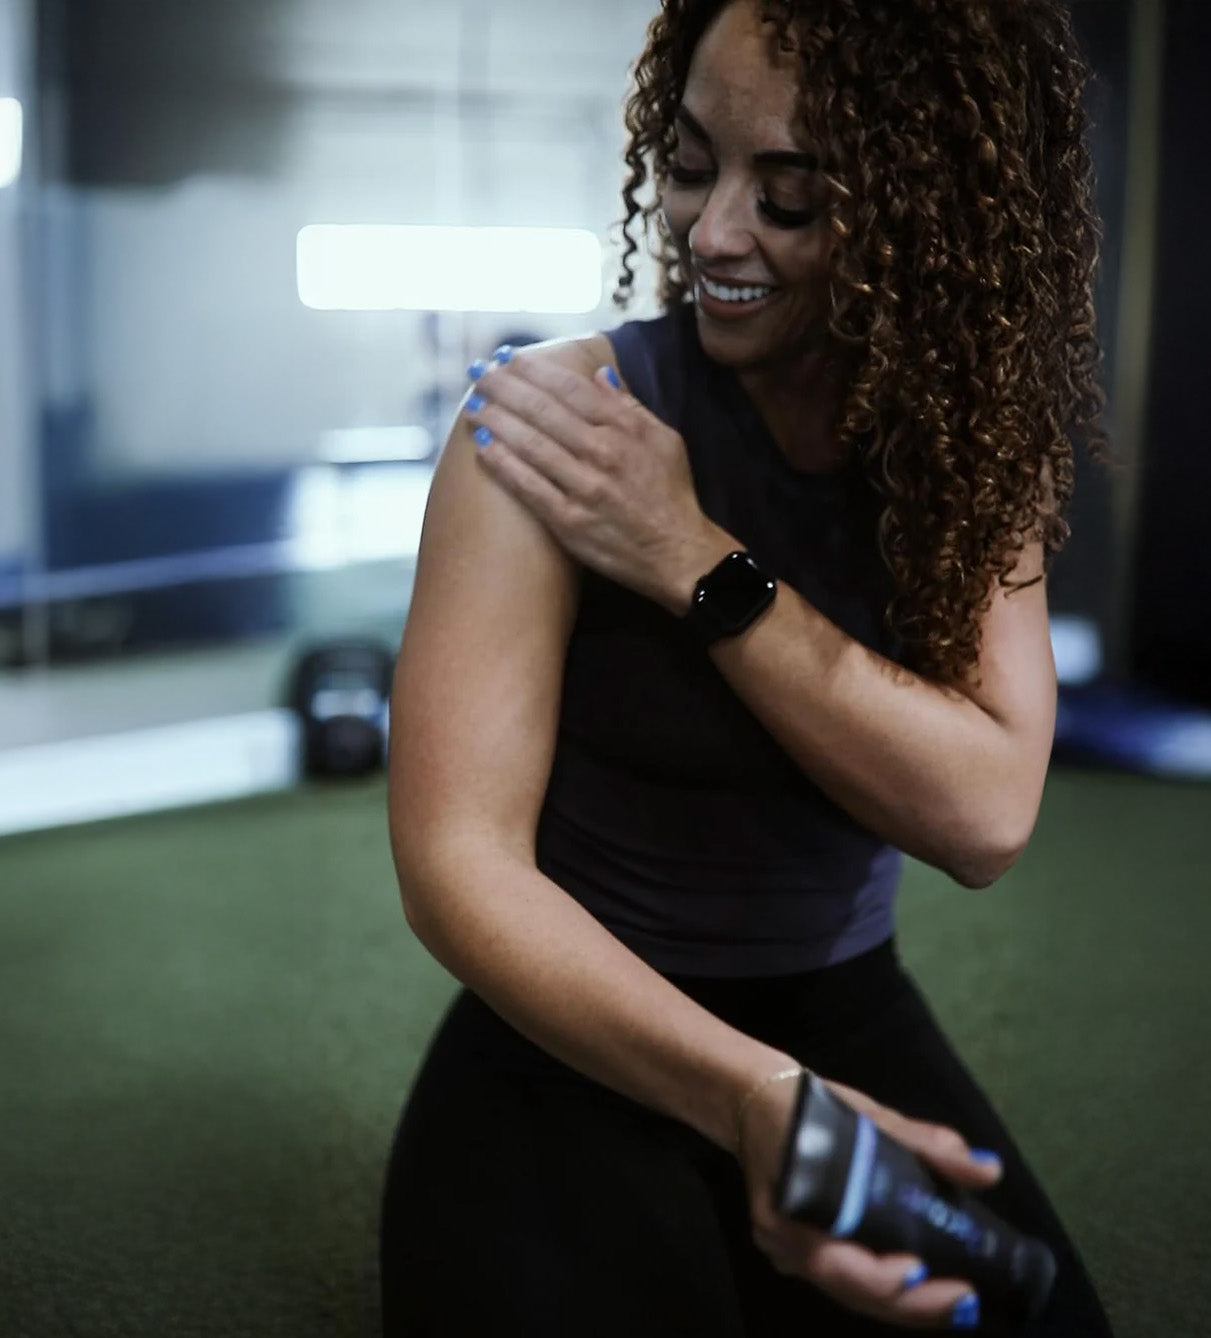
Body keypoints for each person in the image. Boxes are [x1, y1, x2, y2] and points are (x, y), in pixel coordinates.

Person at [380, 0, 1115, 1333]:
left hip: (840, 1003)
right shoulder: (554, 425)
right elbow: (454, 865)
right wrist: (748, 1097)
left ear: (918, 217)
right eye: (688, 161)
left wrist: (690, 557)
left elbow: (984, 813)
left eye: (788, 196)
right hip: (571, 1010)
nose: (710, 232)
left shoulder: (971, 457)